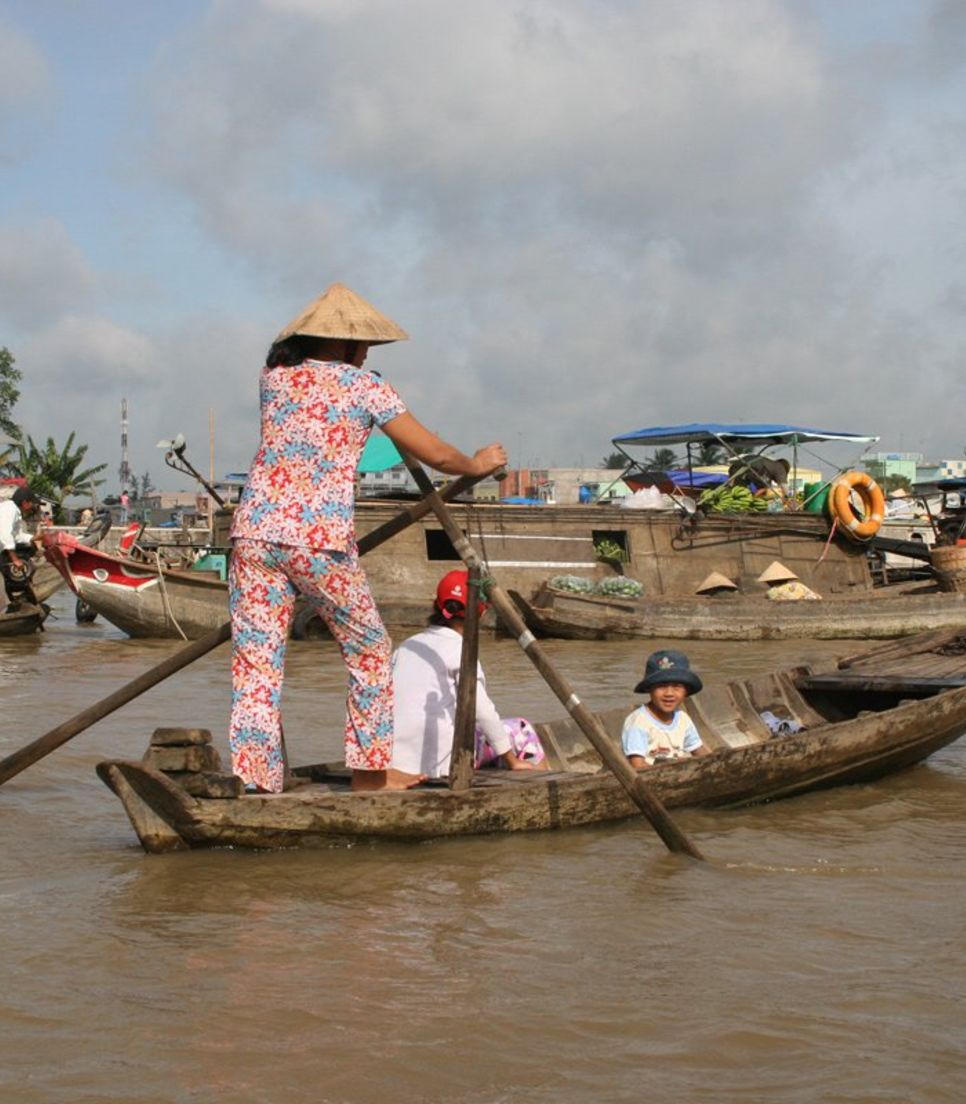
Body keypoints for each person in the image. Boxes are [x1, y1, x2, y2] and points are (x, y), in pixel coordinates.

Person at [228, 283, 507, 795]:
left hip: (253, 535)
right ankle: (370, 778)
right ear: (349, 346)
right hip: (319, 541)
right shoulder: (365, 388)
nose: (366, 358)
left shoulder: (273, 379)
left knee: (257, 665)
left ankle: (255, 781)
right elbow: (436, 454)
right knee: (370, 652)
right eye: (364, 350)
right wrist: (478, 464)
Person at [390, 570, 547, 780]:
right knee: (521, 729)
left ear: (437, 605)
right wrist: (512, 760)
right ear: (481, 613)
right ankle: (545, 783)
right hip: (439, 765)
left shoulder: (407, 646)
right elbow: (483, 712)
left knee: (483, 734)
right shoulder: (461, 650)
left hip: (395, 761)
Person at [621, 649, 711, 768]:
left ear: (686, 691)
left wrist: (714, 762)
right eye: (661, 686)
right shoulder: (638, 722)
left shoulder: (683, 718)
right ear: (649, 689)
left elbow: (699, 750)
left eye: (677, 687)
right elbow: (637, 765)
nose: (669, 693)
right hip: (650, 779)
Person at [0, 486, 43, 608]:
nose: (33, 507)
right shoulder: (9, 509)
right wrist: (15, 560)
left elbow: (17, 536)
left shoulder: (15, 512)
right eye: (32, 504)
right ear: (24, 503)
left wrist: (33, 538)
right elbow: (4, 535)